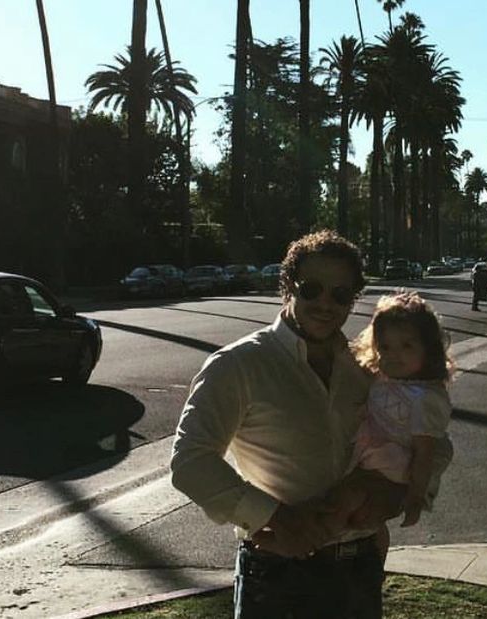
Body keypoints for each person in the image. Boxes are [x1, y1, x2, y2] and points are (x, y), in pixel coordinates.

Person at [170, 230, 451, 618]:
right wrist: (277, 519)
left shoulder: (367, 367)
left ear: (353, 299)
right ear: (288, 286)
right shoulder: (237, 365)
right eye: (312, 289)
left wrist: (401, 493)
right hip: (277, 571)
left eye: (340, 294)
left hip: (358, 565)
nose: (325, 303)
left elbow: (436, 440)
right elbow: (191, 462)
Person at [319, 291, 454, 559]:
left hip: (391, 464)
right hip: (370, 455)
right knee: (352, 510)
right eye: (385, 347)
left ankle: (314, 541)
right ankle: (330, 542)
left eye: (407, 346)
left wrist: (416, 496)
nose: (394, 355)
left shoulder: (425, 398)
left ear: (428, 349)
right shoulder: (385, 378)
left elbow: (424, 452)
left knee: (347, 500)